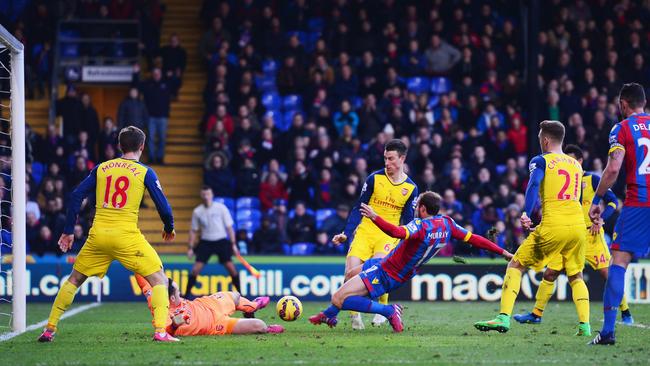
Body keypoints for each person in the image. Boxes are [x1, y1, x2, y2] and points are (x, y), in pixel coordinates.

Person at [38, 126, 177, 342]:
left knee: (74, 279)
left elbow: (76, 196)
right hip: (126, 237)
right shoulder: (145, 172)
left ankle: (49, 328)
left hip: (98, 235)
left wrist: (68, 232)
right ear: (142, 146)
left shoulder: (102, 168)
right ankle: (160, 331)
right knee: (159, 279)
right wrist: (169, 227)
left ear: (120, 146)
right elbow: (164, 207)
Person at [310, 192, 511, 332]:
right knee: (350, 275)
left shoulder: (420, 226)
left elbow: (396, 232)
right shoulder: (448, 224)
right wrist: (502, 251)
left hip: (388, 272)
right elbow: (476, 239)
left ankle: (388, 310)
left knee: (340, 298)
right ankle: (329, 315)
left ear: (422, 209)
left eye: (417, 206)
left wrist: (375, 217)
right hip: (388, 263)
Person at [474, 120, 591, 336]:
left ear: (545, 140)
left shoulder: (541, 160)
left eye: (540, 138)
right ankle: (585, 326)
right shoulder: (576, 165)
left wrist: (526, 212)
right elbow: (578, 197)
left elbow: (534, 184)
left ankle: (503, 318)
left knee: (515, 265)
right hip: (577, 227)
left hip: (554, 225)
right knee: (576, 276)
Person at [513, 144, 633, 325]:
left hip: (591, 237)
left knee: (608, 274)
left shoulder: (592, 179)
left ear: (580, 161)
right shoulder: (561, 181)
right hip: (569, 236)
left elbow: (613, 202)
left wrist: (601, 219)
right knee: (549, 274)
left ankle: (625, 312)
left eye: (571, 159)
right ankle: (536, 314)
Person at [332, 139, 418, 329]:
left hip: (387, 235)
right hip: (365, 232)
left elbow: (409, 221)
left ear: (402, 158)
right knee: (350, 274)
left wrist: (410, 244)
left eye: (391, 159)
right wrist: (346, 233)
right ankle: (355, 317)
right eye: (385, 158)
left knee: (380, 270)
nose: (387, 163)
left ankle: (383, 309)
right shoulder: (373, 179)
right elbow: (357, 208)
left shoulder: (411, 189)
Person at [588, 83, 650, 345]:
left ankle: (609, 331)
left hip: (639, 201)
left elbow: (613, 169)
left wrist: (597, 198)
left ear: (624, 104)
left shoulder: (622, 128)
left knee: (619, 262)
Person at [135, 274, 283, 336]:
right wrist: (176, 323)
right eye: (179, 292)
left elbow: (142, 279)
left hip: (207, 304)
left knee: (235, 295)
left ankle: (253, 305)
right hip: (215, 325)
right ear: (172, 298)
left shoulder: (155, 292)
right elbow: (165, 332)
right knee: (259, 325)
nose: (181, 294)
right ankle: (267, 328)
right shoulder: (161, 311)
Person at [186, 186, 240, 296]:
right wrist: (190, 248)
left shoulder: (221, 208)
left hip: (221, 241)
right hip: (206, 242)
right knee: (195, 270)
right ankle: (186, 296)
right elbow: (194, 230)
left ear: (212, 195)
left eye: (208, 194)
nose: (206, 197)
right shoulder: (197, 211)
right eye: (204, 194)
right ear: (201, 196)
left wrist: (233, 244)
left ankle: (241, 295)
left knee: (232, 270)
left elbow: (229, 227)